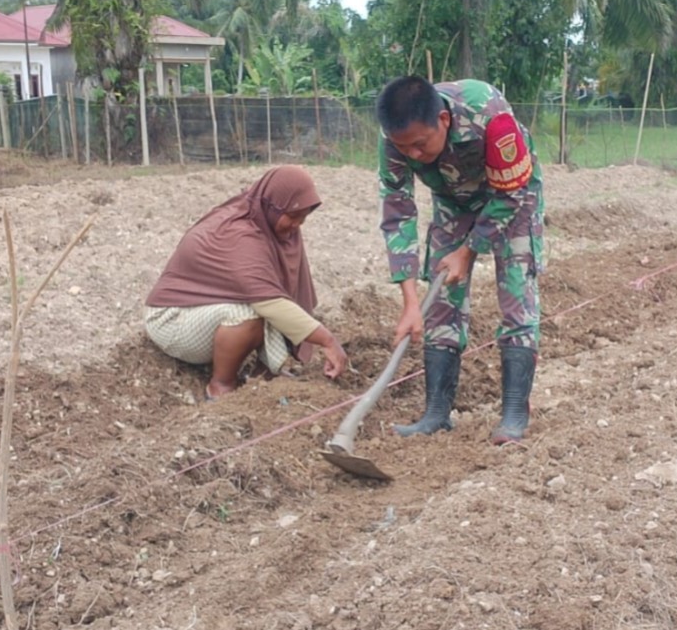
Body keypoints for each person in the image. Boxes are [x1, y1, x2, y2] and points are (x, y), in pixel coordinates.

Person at [375, 76, 544, 445]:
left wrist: (469, 251)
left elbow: (512, 192)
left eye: (421, 144)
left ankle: (514, 414)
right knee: (439, 305)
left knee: (516, 296)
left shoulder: (489, 114)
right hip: (452, 202)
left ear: (444, 120)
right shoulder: (395, 139)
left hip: (510, 195)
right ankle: (436, 413)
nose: (414, 155)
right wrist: (409, 302)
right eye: (406, 149)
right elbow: (397, 210)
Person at [144, 165, 348, 401]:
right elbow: (269, 303)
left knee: (268, 303)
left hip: (208, 309)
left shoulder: (267, 219)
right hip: (172, 319)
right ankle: (220, 386)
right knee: (251, 312)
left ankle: (263, 374)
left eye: (303, 219)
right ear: (274, 205)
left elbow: (275, 295)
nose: (296, 226)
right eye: (292, 217)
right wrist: (327, 340)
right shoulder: (240, 233)